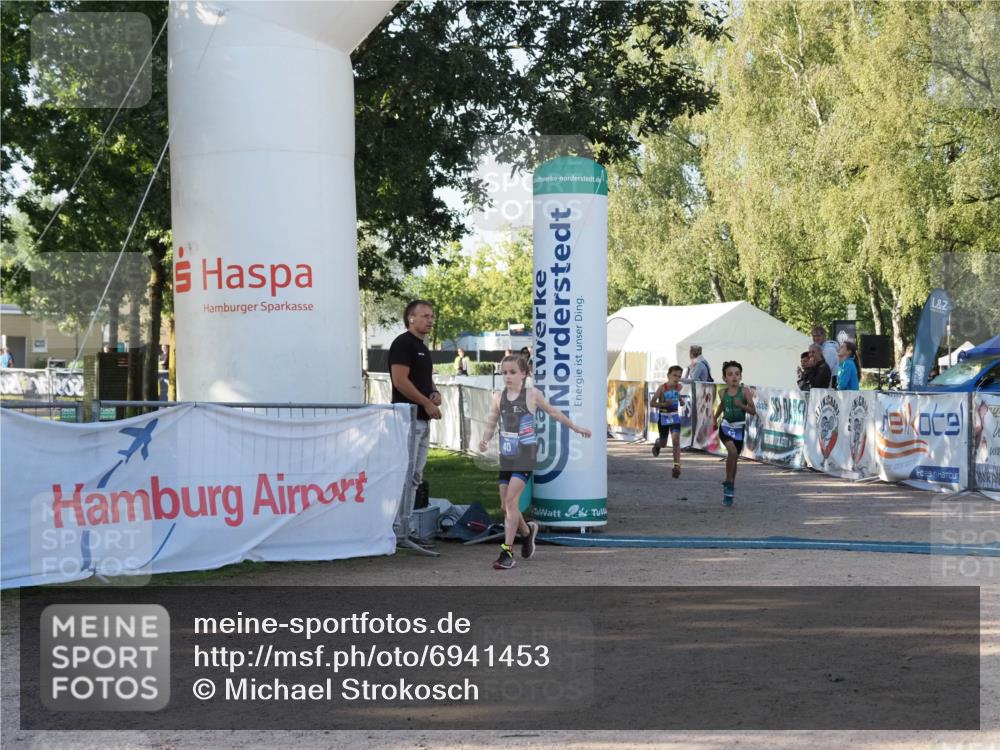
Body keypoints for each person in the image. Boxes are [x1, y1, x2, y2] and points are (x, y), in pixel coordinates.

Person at [479, 354, 592, 570]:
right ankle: (527, 531)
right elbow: (492, 422)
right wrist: (485, 439)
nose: (508, 377)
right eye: (504, 373)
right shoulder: (498, 397)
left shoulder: (532, 395)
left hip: (525, 456)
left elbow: (554, 413)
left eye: (512, 372)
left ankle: (506, 552)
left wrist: (576, 428)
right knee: (506, 506)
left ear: (524, 374)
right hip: (507, 456)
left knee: (512, 503)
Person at [389, 300, 443, 534]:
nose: (430, 320)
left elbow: (424, 378)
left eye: (431, 316)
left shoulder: (422, 346)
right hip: (408, 418)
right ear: (411, 318)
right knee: (405, 472)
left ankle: (406, 525)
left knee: (416, 475)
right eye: (425, 316)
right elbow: (400, 381)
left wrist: (434, 392)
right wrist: (425, 403)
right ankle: (396, 524)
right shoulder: (402, 344)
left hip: (422, 418)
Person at [713, 361, 757, 506]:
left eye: (737, 374)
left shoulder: (745, 392)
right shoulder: (722, 392)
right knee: (731, 451)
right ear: (725, 378)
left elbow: (753, 411)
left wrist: (741, 405)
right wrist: (714, 418)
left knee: (734, 457)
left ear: (741, 376)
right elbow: (721, 405)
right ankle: (728, 480)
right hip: (725, 426)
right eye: (730, 374)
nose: (734, 377)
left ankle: (729, 488)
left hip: (739, 428)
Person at [650, 365, 685, 478]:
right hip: (664, 416)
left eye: (679, 376)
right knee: (664, 443)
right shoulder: (662, 388)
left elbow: (677, 396)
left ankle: (676, 466)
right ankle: (657, 444)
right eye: (674, 375)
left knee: (676, 440)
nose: (676, 378)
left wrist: (681, 401)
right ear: (668, 375)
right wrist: (664, 404)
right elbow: (652, 403)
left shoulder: (679, 387)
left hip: (674, 415)